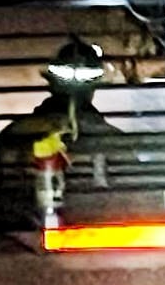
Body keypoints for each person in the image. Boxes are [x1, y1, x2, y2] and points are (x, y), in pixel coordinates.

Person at [25, 34, 109, 226]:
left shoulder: (18, 132)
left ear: (51, 83)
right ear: (94, 87)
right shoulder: (110, 136)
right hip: (101, 214)